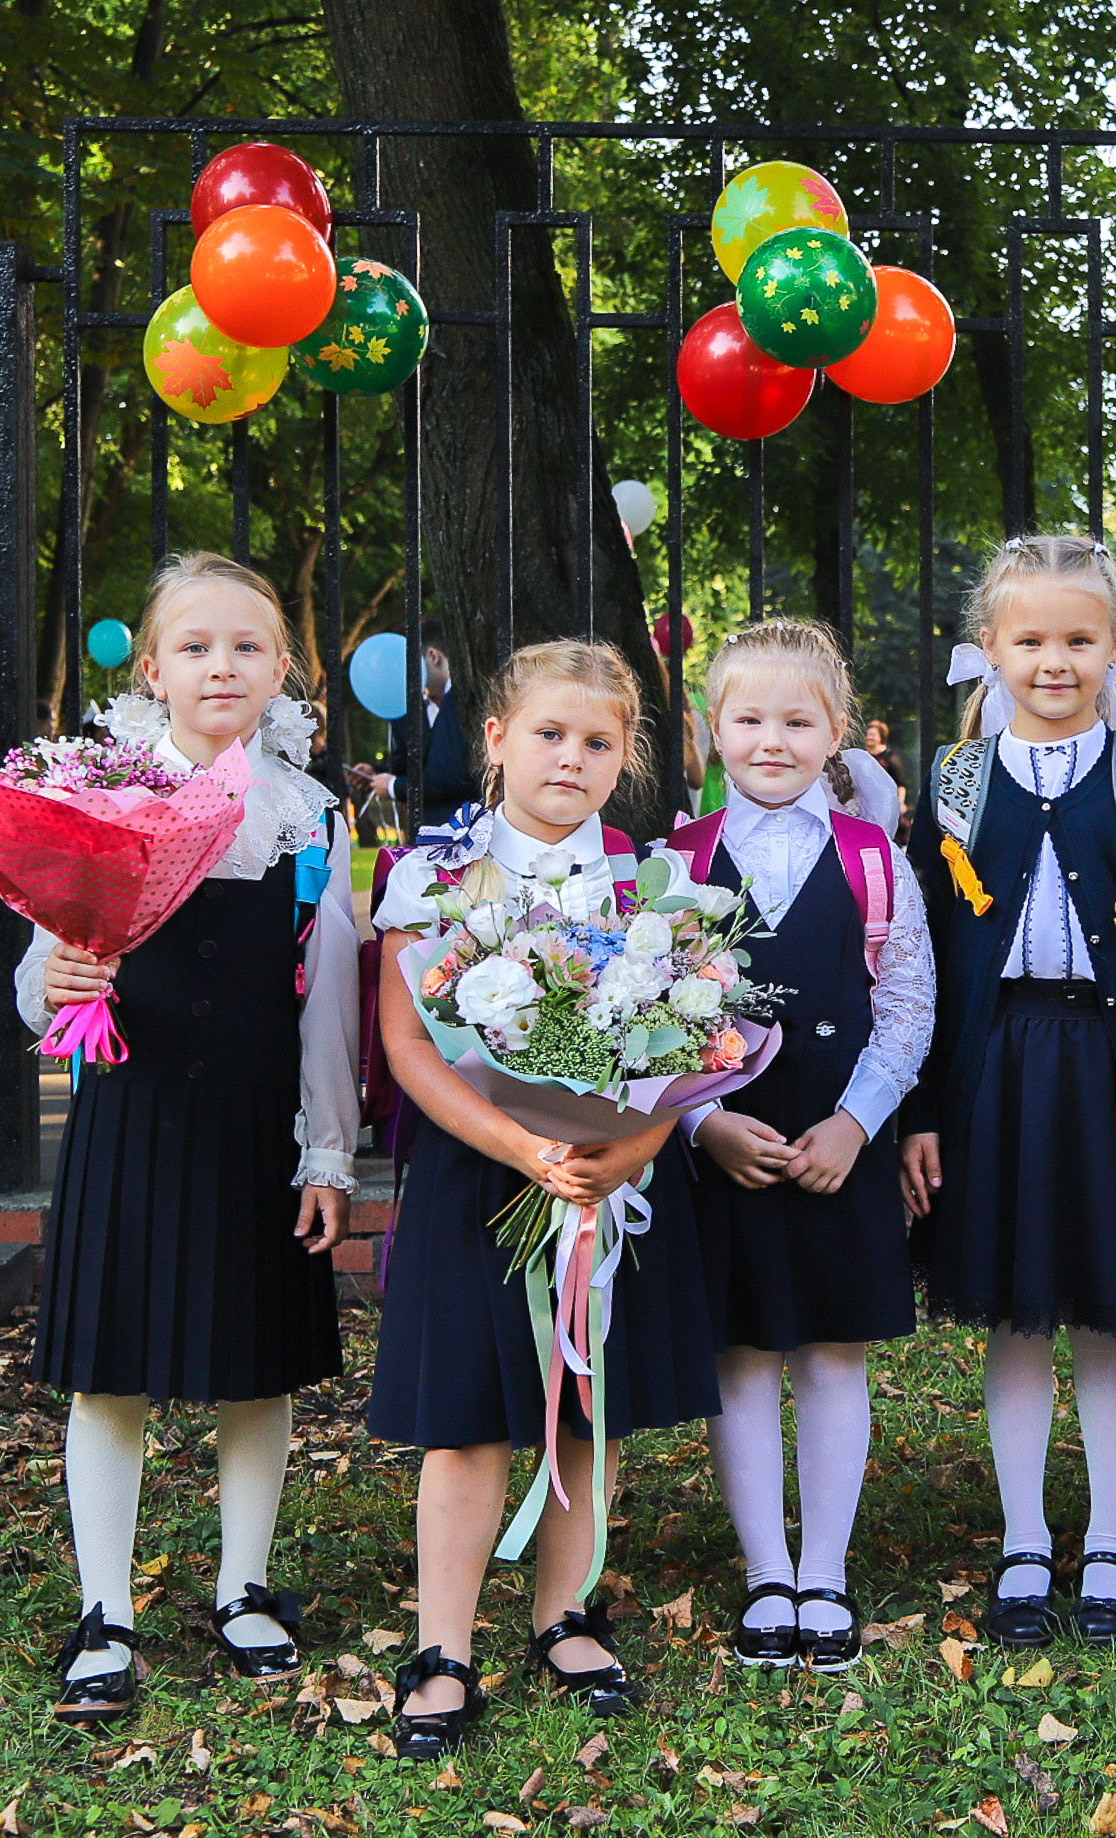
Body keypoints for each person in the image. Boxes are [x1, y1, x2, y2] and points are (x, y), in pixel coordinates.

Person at [18, 555, 360, 1724]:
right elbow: (40, 973)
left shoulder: (311, 815)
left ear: (283, 671)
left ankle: (243, 1582)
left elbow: (329, 998)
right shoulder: (99, 790)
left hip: (255, 1118)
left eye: (248, 647)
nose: (223, 665)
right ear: (151, 666)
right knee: (111, 1371)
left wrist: (327, 1152)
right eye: (198, 646)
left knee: (253, 1366)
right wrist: (56, 977)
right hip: (133, 1107)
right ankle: (105, 1606)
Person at [368, 639, 719, 1754]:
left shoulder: (649, 883)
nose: (572, 756)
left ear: (625, 758)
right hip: (481, 1172)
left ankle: (565, 1612)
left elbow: (700, 1039)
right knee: (468, 1417)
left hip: (608, 1184)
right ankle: (444, 1645)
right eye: (550, 733)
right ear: (496, 740)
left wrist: (636, 1145)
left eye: (598, 741)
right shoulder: (434, 874)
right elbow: (408, 1044)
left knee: (586, 1403)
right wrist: (519, 1143)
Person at [900, 533, 1116, 1651]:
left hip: (1110, 1074)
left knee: (1106, 1313)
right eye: (1027, 638)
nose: (1052, 660)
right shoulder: (950, 781)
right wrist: (922, 1111)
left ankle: (1114, 1536)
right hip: (992, 1071)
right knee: (1020, 1314)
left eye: (1078, 639)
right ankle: (1026, 1536)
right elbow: (922, 957)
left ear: (1115, 647)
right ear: (987, 646)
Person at [667, 620, 932, 1673]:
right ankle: (764, 1569)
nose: (769, 739)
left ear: (837, 732)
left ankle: (823, 1569)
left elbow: (906, 1004)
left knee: (830, 1354)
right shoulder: (674, 861)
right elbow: (646, 1017)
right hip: (725, 1140)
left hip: (837, 1137)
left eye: (796, 719)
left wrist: (858, 1123)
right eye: (747, 718)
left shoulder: (876, 863)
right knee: (740, 1356)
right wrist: (698, 1120)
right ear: (712, 729)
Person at [350, 640, 479, 818]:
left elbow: (452, 775)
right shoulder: (405, 710)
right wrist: (377, 774)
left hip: (468, 823)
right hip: (427, 827)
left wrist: (393, 787)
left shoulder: (466, 698)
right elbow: (413, 769)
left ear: (434, 656)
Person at [864, 717, 910, 842]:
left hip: (886, 804)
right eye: (867, 734)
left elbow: (900, 783)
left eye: (872, 734)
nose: (869, 737)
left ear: (881, 736)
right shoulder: (863, 756)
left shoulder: (891, 757)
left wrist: (900, 803)